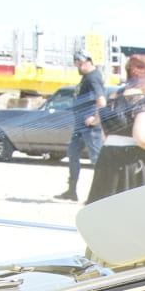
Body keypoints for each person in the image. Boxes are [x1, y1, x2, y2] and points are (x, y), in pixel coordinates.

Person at [85, 53, 145, 204]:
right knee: (132, 213)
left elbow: (104, 135)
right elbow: (142, 137)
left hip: (107, 158)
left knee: (106, 210)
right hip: (131, 163)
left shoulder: (112, 98)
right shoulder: (142, 101)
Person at [56, 51, 105, 200]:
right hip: (80, 125)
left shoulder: (93, 77)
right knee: (72, 154)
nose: (78, 67)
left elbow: (101, 101)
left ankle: (102, 193)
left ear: (87, 61)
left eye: (79, 64)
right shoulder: (86, 77)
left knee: (96, 159)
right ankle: (72, 191)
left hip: (89, 127)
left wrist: (95, 119)